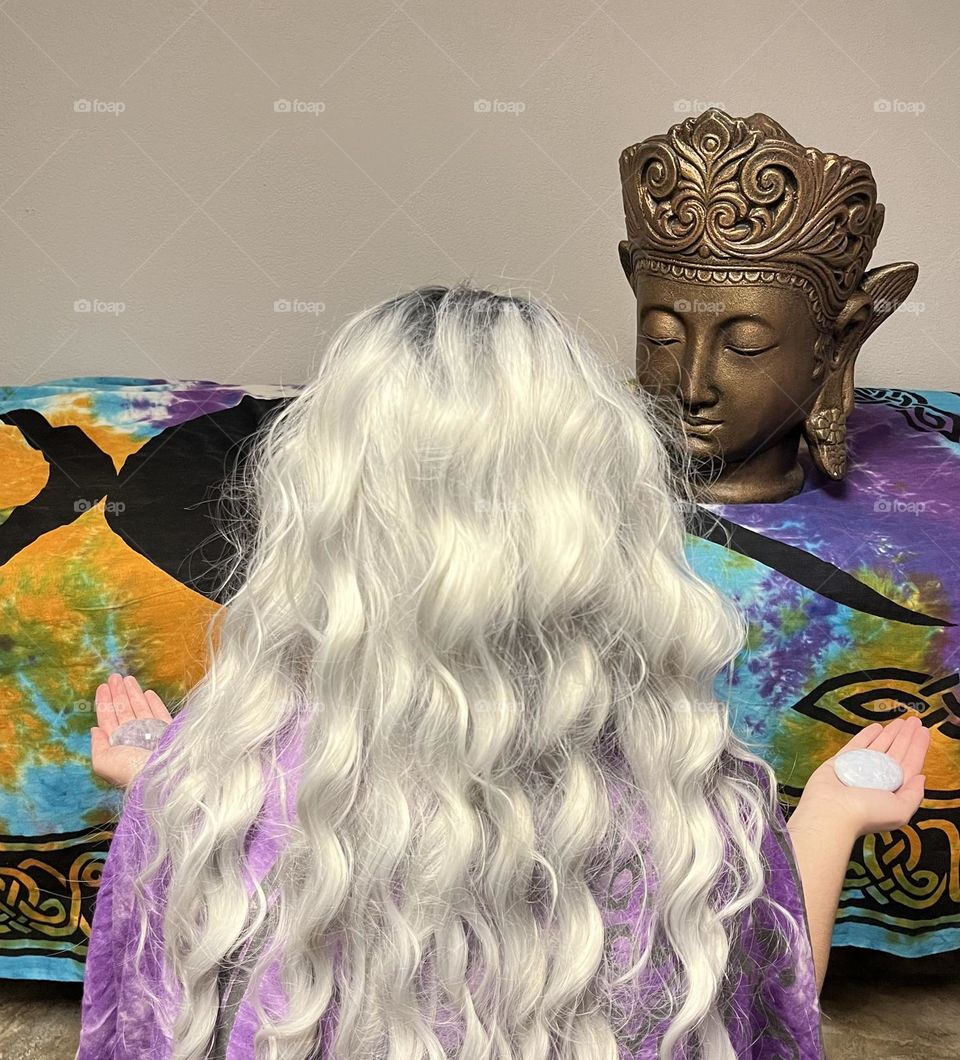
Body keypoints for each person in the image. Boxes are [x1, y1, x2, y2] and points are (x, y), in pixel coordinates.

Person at [79, 283, 929, 1060]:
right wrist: (828, 814)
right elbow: (766, 1016)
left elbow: (154, 1013)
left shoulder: (208, 788)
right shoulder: (699, 805)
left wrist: (165, 789)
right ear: (607, 507)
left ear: (321, 502)